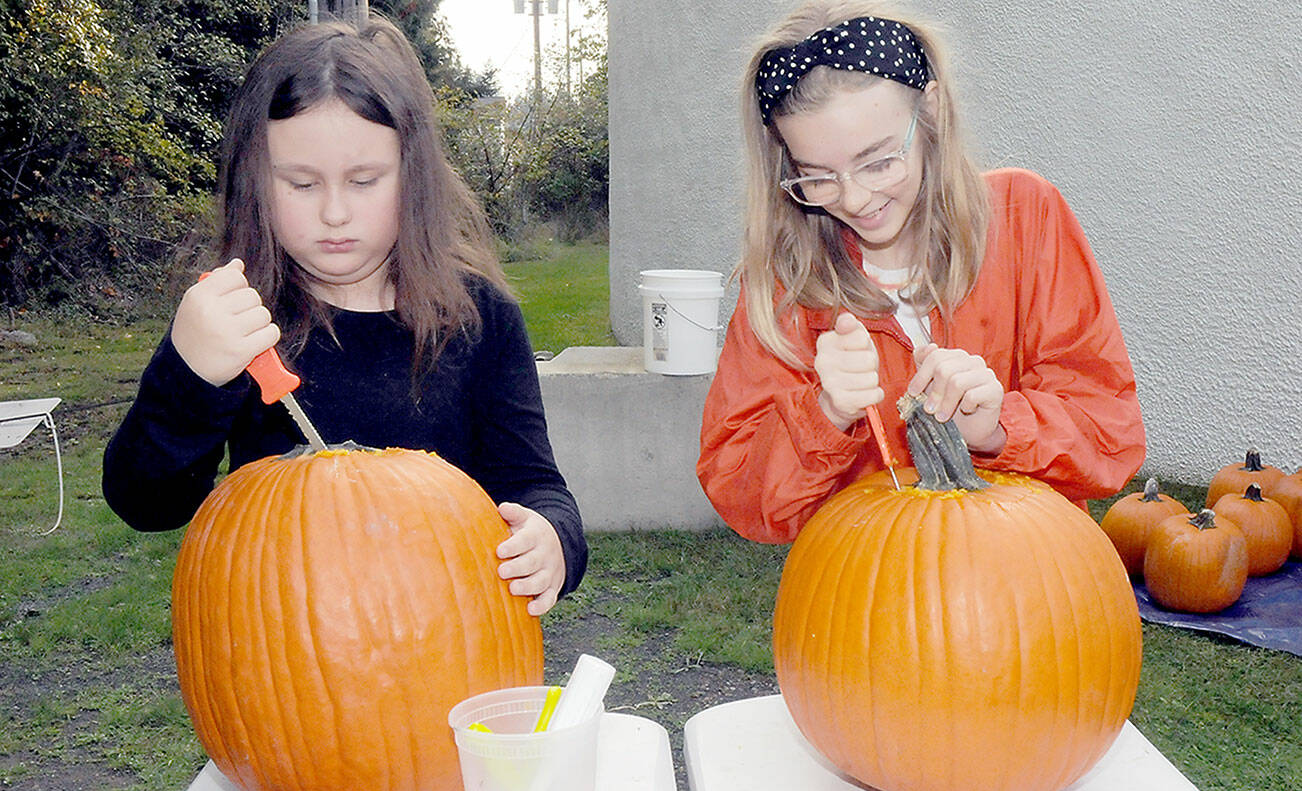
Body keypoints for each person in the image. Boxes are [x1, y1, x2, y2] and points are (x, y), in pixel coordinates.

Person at [102, 16, 585, 615]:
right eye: (302, 184)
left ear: (414, 177)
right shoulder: (244, 320)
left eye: (363, 181)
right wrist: (191, 375)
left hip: (456, 646)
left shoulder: (479, 316)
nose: (335, 212)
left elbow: (537, 485)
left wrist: (552, 541)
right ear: (257, 182)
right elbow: (146, 502)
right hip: (285, 649)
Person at [697, 0, 1146, 543]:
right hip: (872, 595)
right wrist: (825, 413)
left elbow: (1111, 435)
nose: (856, 199)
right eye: (817, 177)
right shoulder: (785, 284)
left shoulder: (1026, 216)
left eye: (879, 161)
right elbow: (741, 494)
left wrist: (997, 425)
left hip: (1030, 578)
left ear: (929, 112)